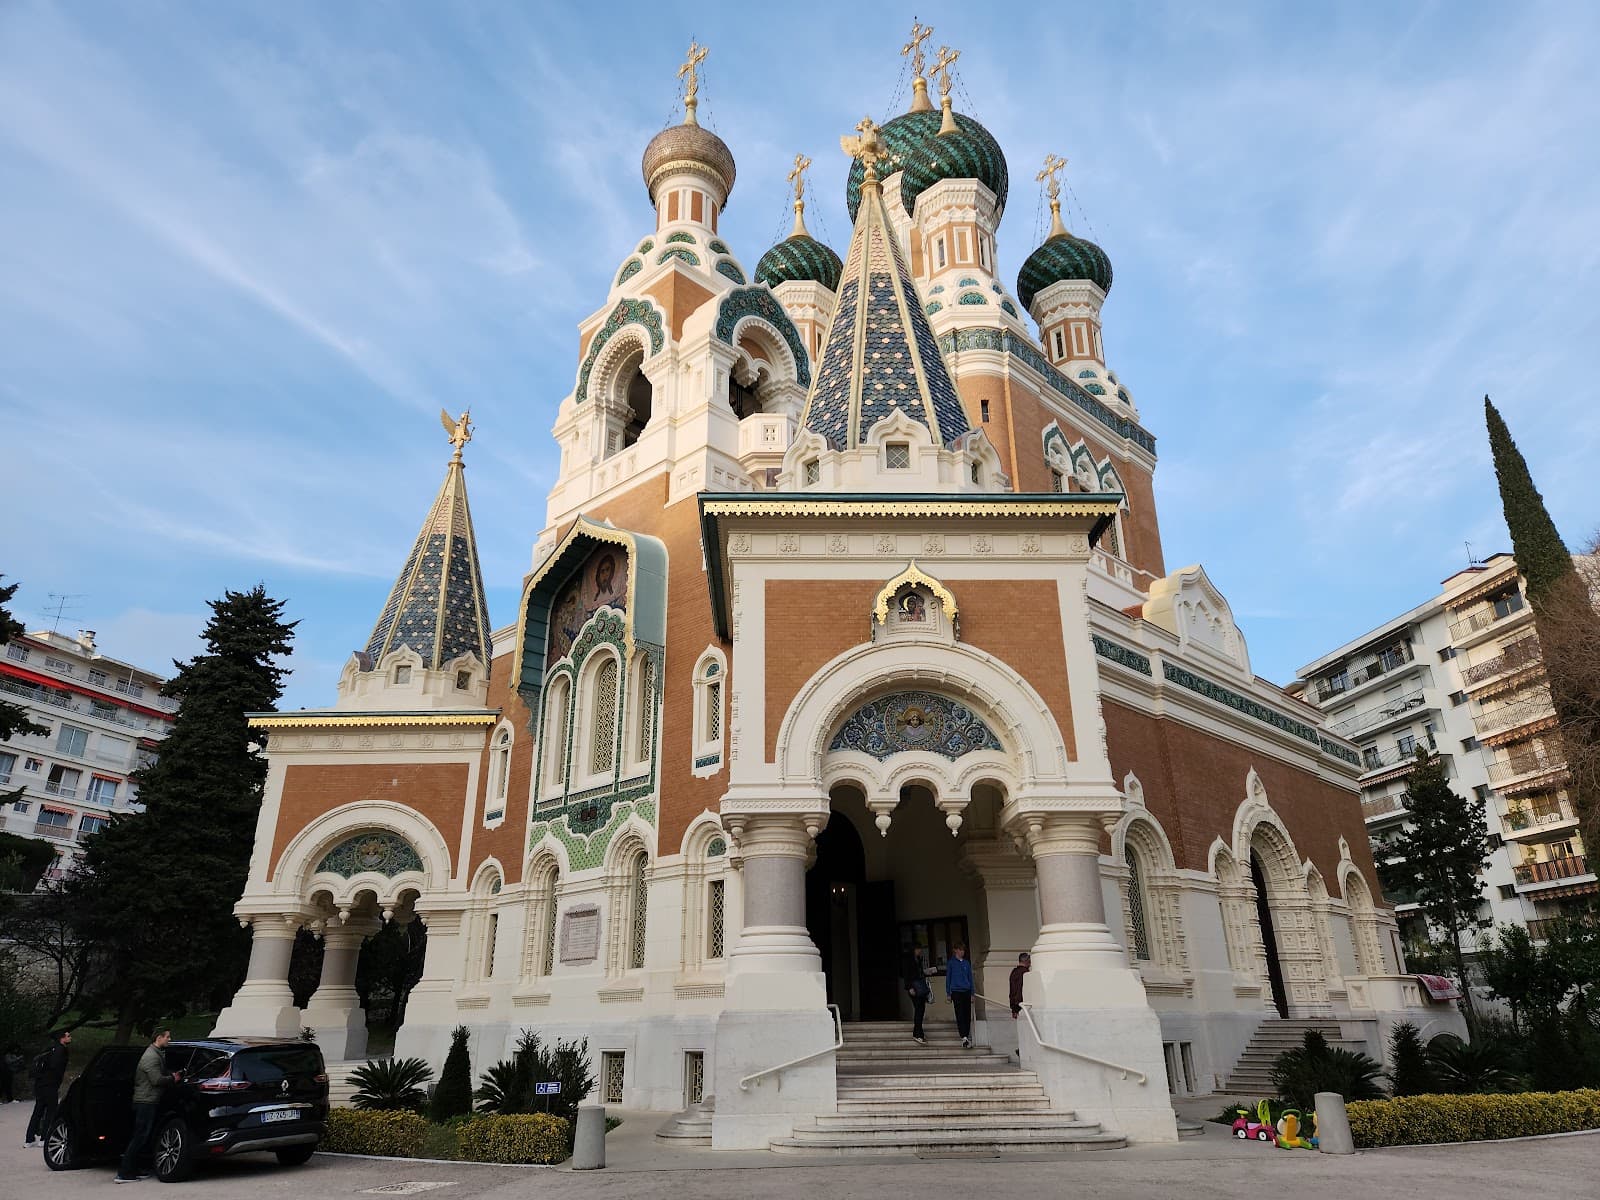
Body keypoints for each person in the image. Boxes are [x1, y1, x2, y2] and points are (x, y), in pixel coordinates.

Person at [114, 1028, 179, 1183]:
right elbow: (156, 1079)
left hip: (148, 1100)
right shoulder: (151, 1057)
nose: (169, 1039)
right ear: (159, 1038)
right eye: (167, 1037)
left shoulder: (156, 1054)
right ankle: (124, 1172)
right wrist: (172, 1078)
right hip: (145, 1101)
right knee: (140, 1136)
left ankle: (135, 1169)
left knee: (143, 1136)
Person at [24, 1029, 70, 1148]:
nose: (70, 1038)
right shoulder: (61, 1050)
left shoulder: (50, 1049)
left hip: (40, 1084)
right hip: (50, 1085)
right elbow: (55, 1067)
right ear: (62, 1038)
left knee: (38, 1111)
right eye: (68, 1036)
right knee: (51, 1111)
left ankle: (29, 1139)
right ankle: (44, 1138)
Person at [946, 944, 975, 1048]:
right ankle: (963, 1036)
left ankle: (966, 1035)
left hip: (966, 990)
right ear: (955, 950)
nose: (962, 952)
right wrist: (948, 993)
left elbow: (970, 978)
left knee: (967, 1014)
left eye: (963, 950)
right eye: (960, 950)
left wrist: (972, 993)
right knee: (960, 1013)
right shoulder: (951, 963)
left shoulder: (967, 963)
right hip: (956, 991)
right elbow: (948, 978)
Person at [902, 947, 931, 1045]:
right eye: (918, 949)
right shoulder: (908, 961)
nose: (920, 951)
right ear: (913, 950)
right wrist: (909, 987)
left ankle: (918, 1032)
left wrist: (927, 972)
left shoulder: (919, 960)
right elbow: (906, 975)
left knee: (921, 1009)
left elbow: (920, 973)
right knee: (919, 1009)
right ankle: (918, 1033)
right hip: (914, 987)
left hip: (921, 987)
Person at [1008, 952, 1031, 1018]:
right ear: (1026, 961)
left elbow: (1012, 990)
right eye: (1029, 961)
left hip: (1016, 1006)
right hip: (1023, 1006)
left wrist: (1014, 1009)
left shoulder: (1014, 972)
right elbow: (1020, 989)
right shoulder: (1025, 973)